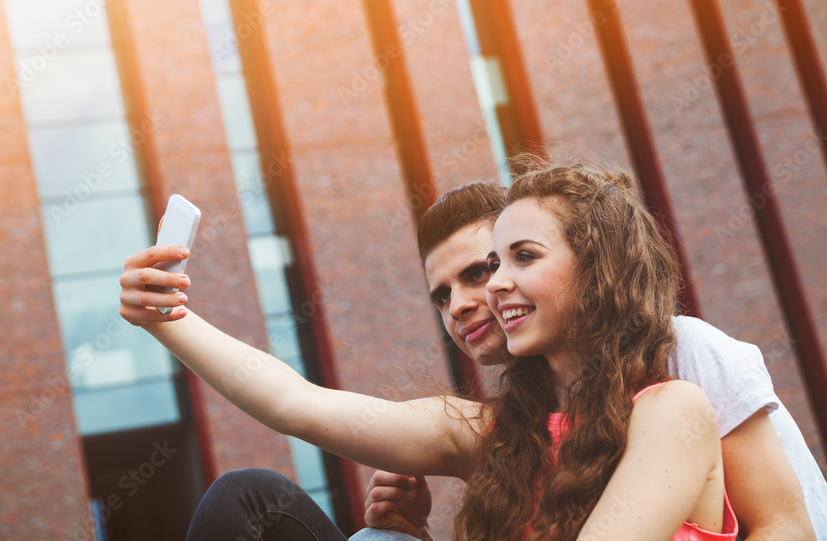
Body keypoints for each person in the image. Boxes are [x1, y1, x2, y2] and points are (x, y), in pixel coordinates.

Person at [119, 161, 748, 538]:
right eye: (442, 295)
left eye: (512, 262)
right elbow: (294, 402)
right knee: (249, 498)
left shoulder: (675, 405)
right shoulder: (491, 433)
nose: (489, 290)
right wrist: (166, 319)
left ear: (597, 267)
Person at [360, 181, 823, 540]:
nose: (459, 304)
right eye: (440, 297)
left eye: (483, 269)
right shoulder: (531, 413)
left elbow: (783, 525)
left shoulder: (681, 347)